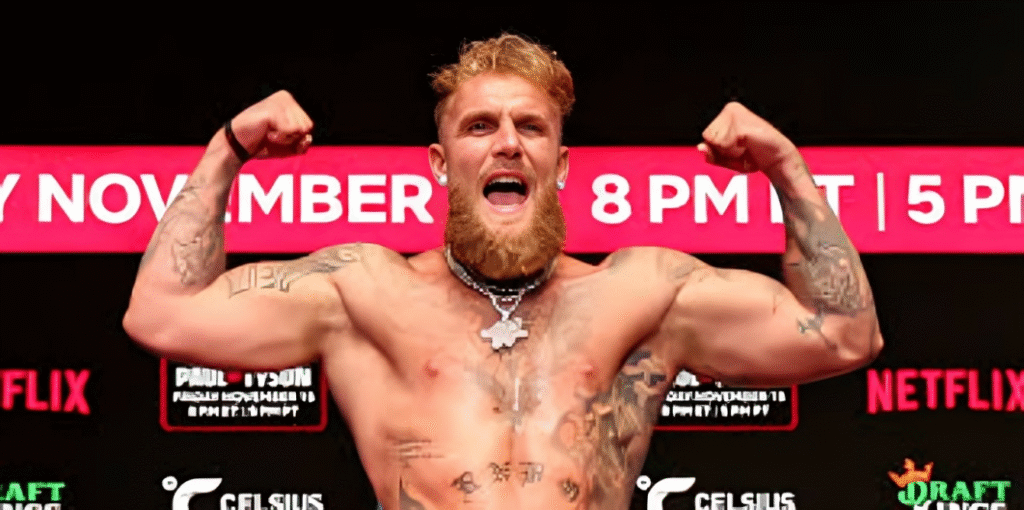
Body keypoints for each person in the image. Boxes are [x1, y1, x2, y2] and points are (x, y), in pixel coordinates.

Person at [124, 34, 883, 510]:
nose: (508, 144)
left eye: (532, 127)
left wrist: (785, 166)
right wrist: (228, 150)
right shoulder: (363, 291)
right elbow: (162, 315)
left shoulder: (643, 293)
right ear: (440, 162)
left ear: (561, 162)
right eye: (480, 126)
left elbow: (846, 335)